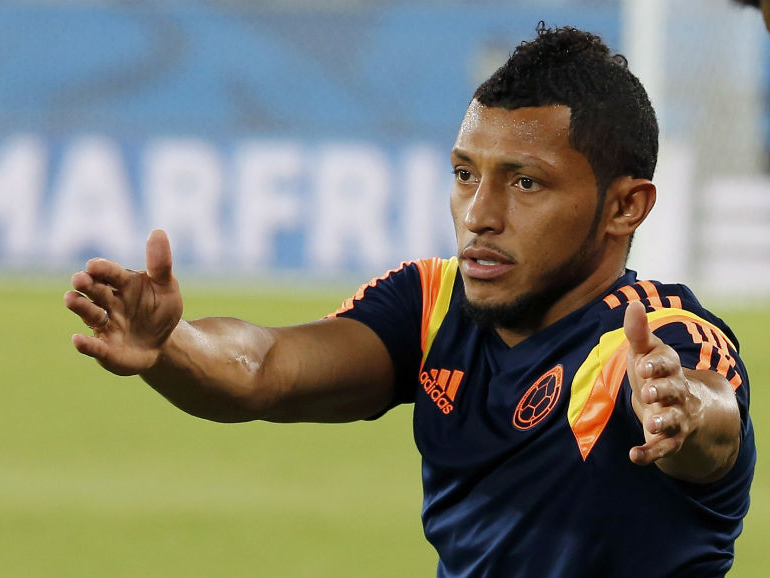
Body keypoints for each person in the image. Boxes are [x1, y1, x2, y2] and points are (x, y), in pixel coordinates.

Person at [65, 24, 755, 578]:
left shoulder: (652, 338)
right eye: (464, 174)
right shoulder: (434, 302)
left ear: (624, 207)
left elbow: (712, 423)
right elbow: (266, 367)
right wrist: (171, 346)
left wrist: (684, 411)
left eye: (525, 184)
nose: (479, 214)